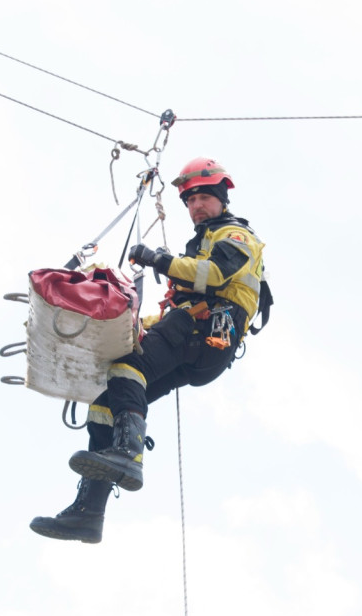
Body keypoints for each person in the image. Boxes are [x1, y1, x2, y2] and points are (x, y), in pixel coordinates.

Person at [29, 157, 267, 544]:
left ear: (222, 198)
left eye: (204, 198)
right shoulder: (203, 240)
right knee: (106, 401)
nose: (196, 207)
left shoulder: (235, 236)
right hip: (197, 338)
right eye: (190, 202)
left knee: (128, 368)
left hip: (206, 328)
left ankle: (128, 453)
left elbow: (215, 275)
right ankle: (89, 512)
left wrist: (158, 258)